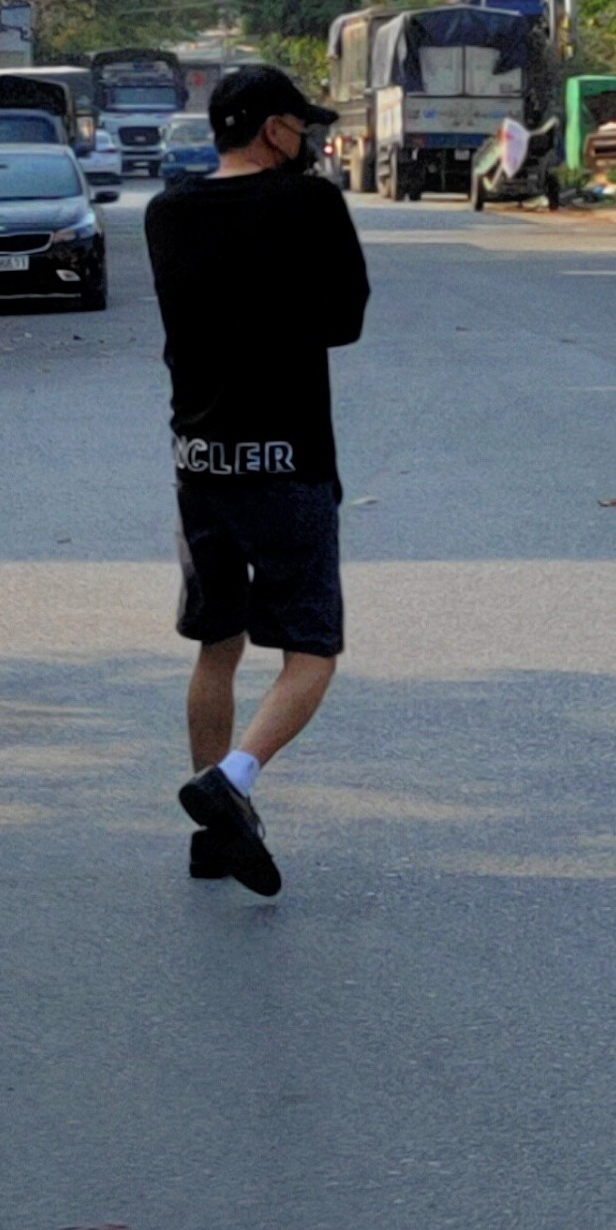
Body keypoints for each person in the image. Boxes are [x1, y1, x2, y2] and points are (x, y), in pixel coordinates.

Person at [142, 63, 369, 897]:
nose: (306, 137)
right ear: (273, 128)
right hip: (288, 461)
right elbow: (343, 319)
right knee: (312, 650)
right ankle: (231, 780)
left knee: (219, 642)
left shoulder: (167, 214)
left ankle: (213, 836)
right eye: (298, 125)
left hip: (199, 463)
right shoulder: (309, 204)